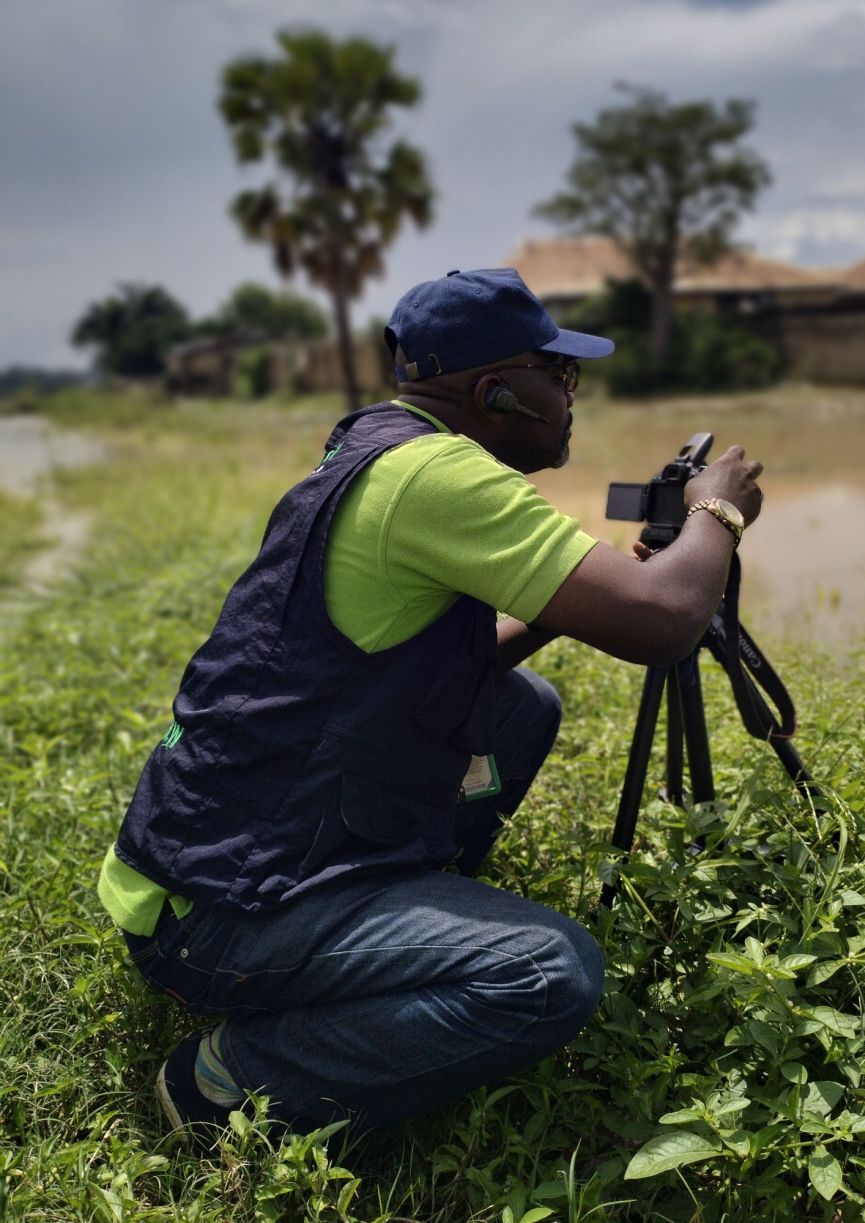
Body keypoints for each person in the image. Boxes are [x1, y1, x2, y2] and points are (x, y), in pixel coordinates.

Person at [97, 267, 763, 1146]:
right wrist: (719, 508)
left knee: (521, 707)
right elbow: (666, 621)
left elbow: (441, 656)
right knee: (549, 973)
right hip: (217, 916)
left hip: (209, 856)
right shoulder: (439, 480)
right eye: (557, 375)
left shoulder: (379, 445)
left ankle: (405, 936)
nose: (572, 396)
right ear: (495, 390)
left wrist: (589, 587)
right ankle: (229, 1080)